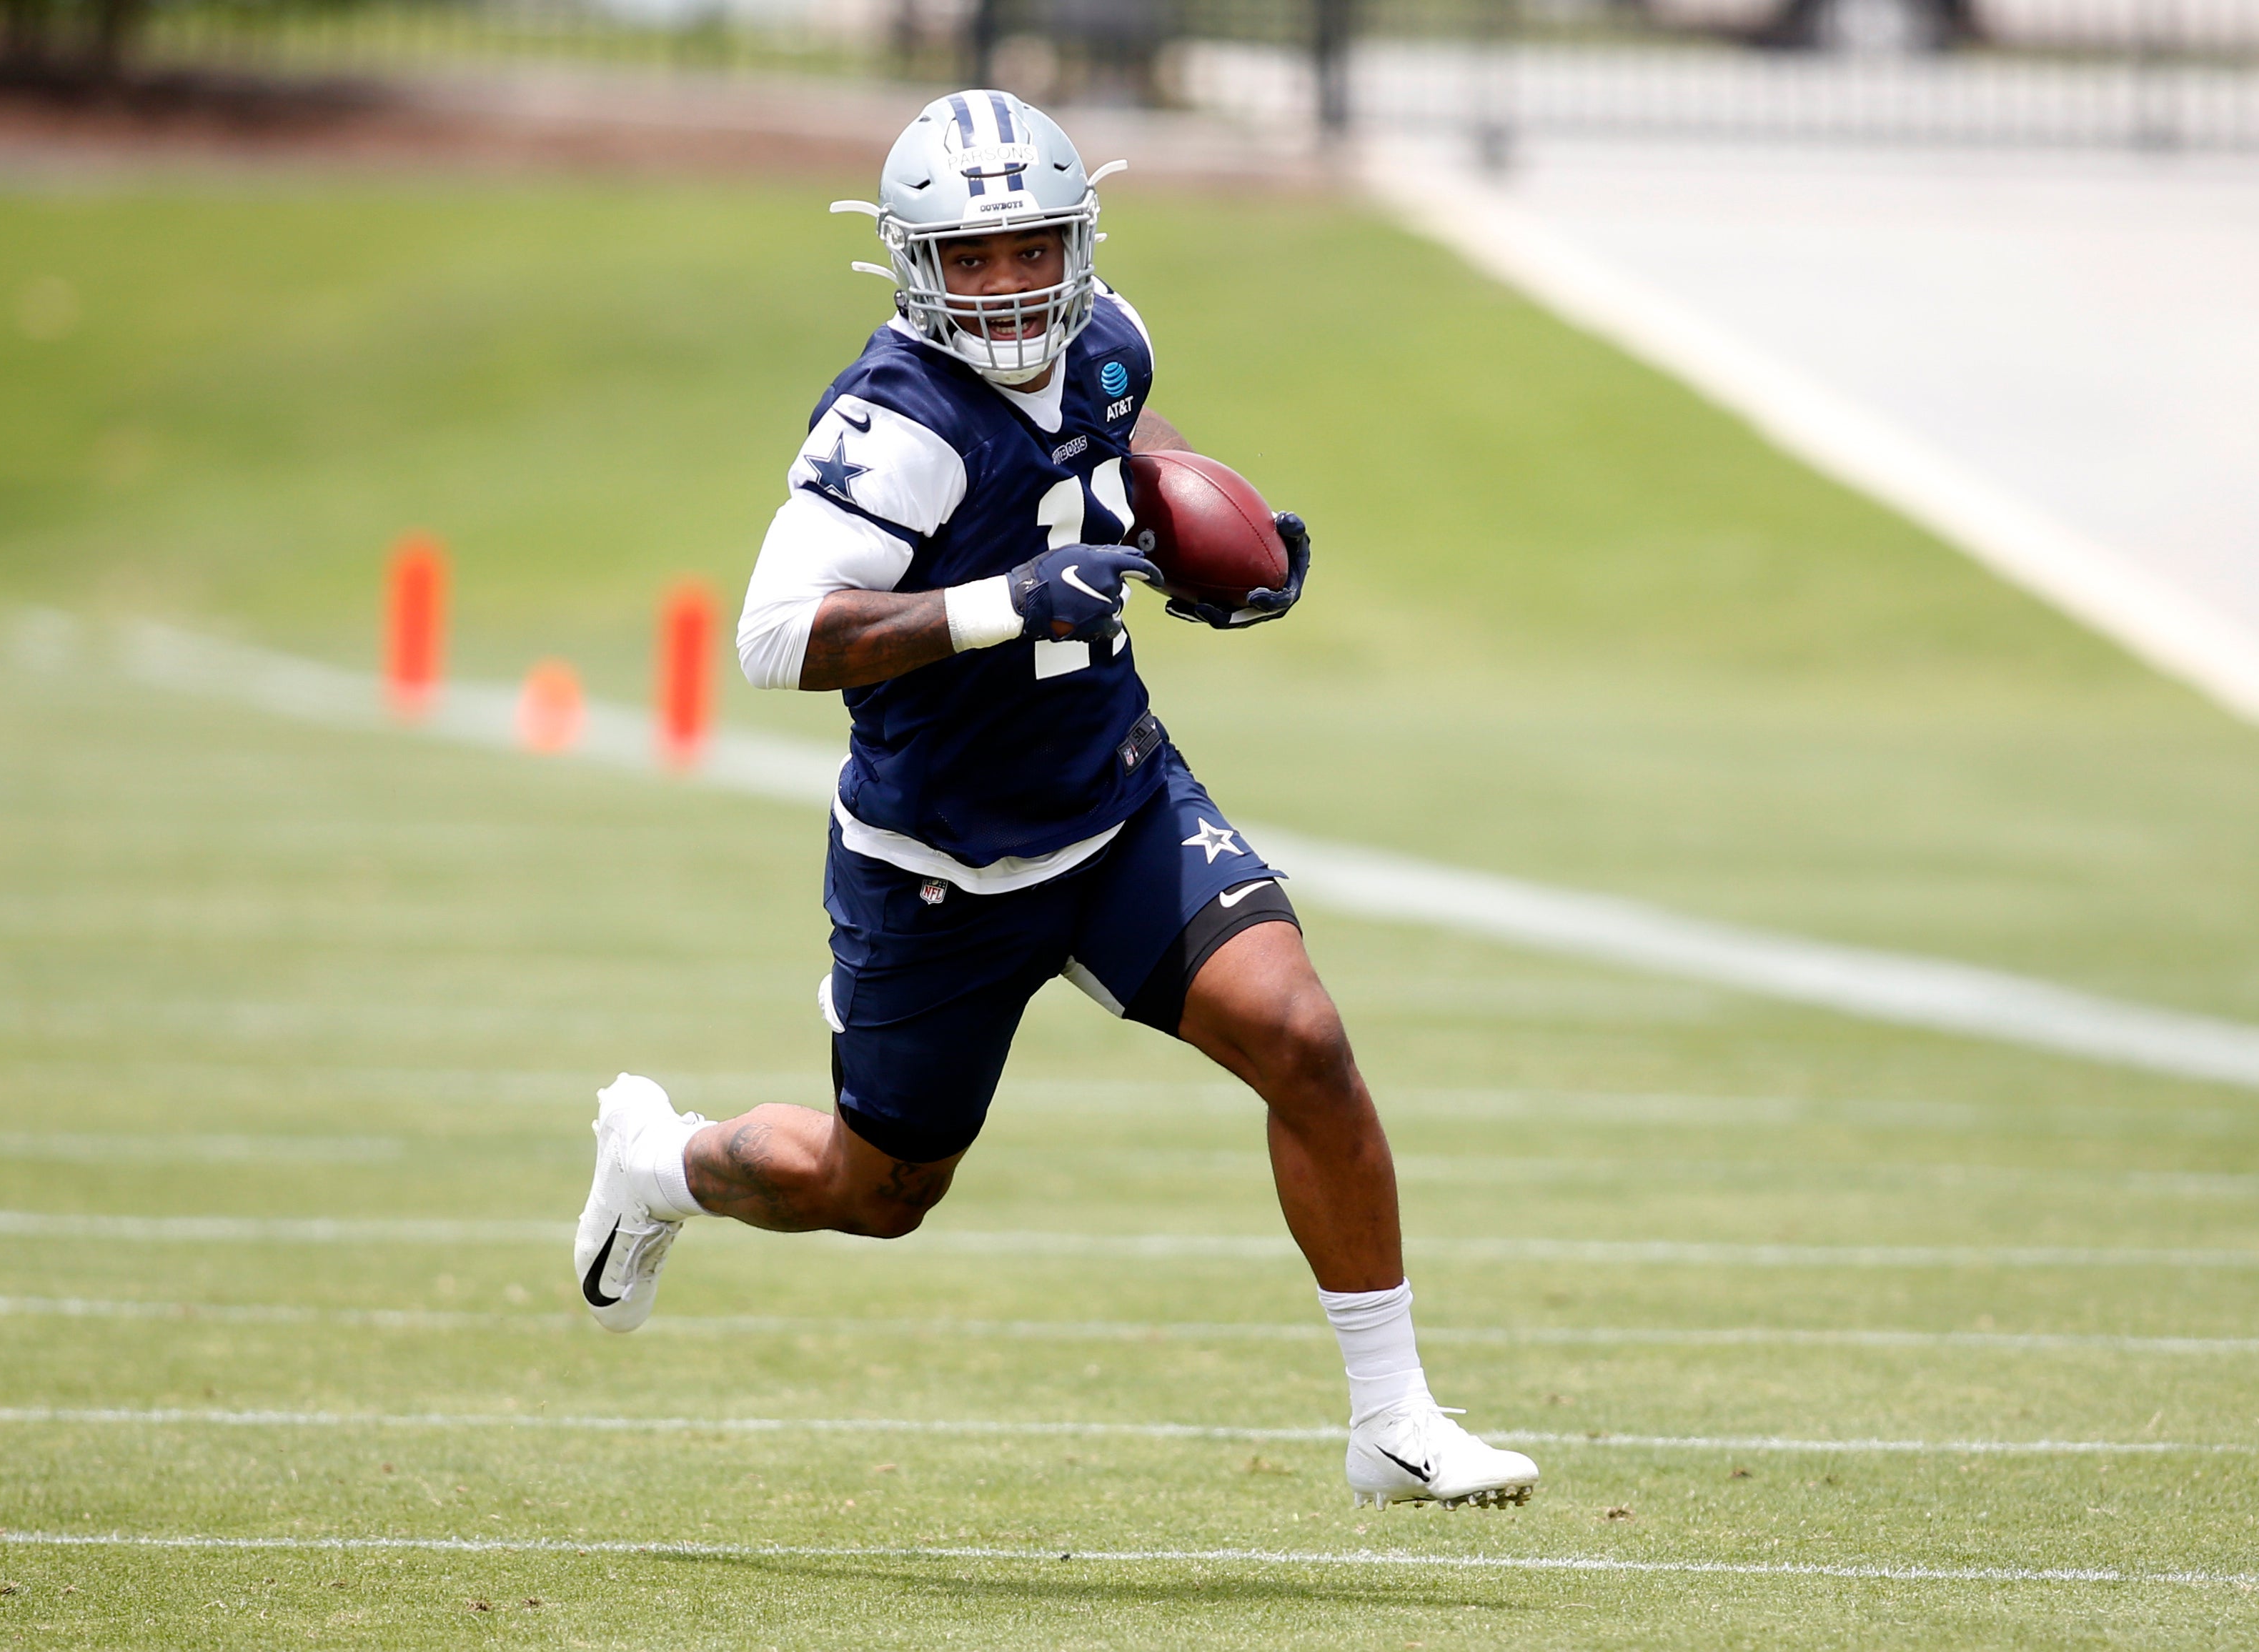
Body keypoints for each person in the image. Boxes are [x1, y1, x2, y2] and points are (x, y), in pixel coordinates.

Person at [572, 89, 1538, 1511]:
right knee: (879, 1186)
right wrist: (997, 608)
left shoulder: (1111, 342)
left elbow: (1104, 464)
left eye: (1035, 248)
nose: (1014, 283)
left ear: (1078, 241)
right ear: (914, 265)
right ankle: (660, 1163)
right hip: (941, 868)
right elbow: (774, 636)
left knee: (1305, 1040)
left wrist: (1213, 544)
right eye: (978, 258)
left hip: (1116, 798)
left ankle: (1393, 1418)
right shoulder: (889, 424)